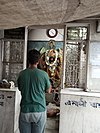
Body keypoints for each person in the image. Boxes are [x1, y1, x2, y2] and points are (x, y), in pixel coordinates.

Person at [17, 49, 51, 133]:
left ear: (28, 60)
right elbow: (48, 90)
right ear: (38, 61)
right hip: (39, 110)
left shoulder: (22, 74)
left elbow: (20, 88)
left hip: (25, 110)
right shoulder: (44, 74)